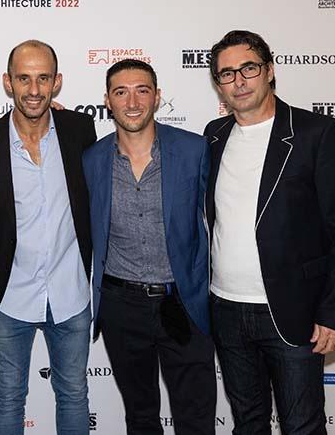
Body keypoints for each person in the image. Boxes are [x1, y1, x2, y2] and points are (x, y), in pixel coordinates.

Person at [205, 30, 335, 434]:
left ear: (270, 70)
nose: (239, 81)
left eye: (249, 68)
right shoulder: (214, 135)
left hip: (294, 311)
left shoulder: (317, 133)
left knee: (302, 426)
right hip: (226, 309)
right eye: (227, 74)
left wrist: (334, 314)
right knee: (248, 424)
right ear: (218, 83)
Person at [0, 40, 95, 435]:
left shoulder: (80, 130)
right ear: (8, 82)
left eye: (43, 79)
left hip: (71, 292)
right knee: (7, 398)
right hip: (10, 296)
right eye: (24, 78)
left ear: (57, 82)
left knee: (74, 394)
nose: (34, 90)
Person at [83, 59, 215, 434]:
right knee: (140, 417)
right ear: (107, 100)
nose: (132, 102)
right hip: (121, 305)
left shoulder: (194, 150)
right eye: (121, 92)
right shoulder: (92, 159)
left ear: (157, 97)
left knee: (196, 419)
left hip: (183, 303)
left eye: (142, 90)